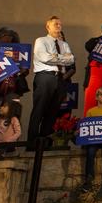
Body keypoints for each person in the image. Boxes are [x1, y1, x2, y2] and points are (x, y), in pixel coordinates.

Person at [27, 16, 75, 148]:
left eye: (60, 24)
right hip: (45, 76)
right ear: (48, 26)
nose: (59, 26)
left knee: (53, 112)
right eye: (55, 24)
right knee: (39, 110)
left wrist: (55, 57)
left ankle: (44, 143)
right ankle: (31, 144)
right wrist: (62, 58)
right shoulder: (41, 41)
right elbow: (44, 58)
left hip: (60, 78)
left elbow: (71, 60)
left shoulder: (64, 44)